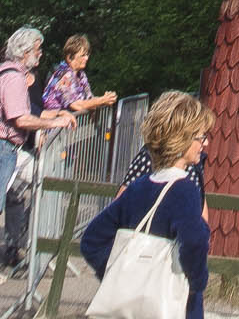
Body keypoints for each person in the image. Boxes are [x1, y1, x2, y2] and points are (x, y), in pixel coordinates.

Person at [0, 28, 76, 292]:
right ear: (24, 52)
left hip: (0, 149)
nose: (40, 54)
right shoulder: (12, 78)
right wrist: (55, 121)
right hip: (0, 149)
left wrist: (52, 116)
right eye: (37, 49)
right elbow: (20, 118)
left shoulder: (6, 73)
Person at [81, 91, 214, 319]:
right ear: (182, 140)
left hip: (130, 307)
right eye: (200, 137)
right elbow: (194, 242)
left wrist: (117, 272)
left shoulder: (138, 188)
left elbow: (91, 240)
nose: (205, 143)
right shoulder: (184, 191)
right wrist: (197, 283)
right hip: (174, 307)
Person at [42, 36, 118, 125]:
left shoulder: (80, 74)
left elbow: (89, 98)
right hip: (56, 131)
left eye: (87, 54)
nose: (86, 58)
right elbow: (76, 105)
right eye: (83, 55)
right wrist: (102, 100)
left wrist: (106, 99)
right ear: (69, 57)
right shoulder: (64, 76)